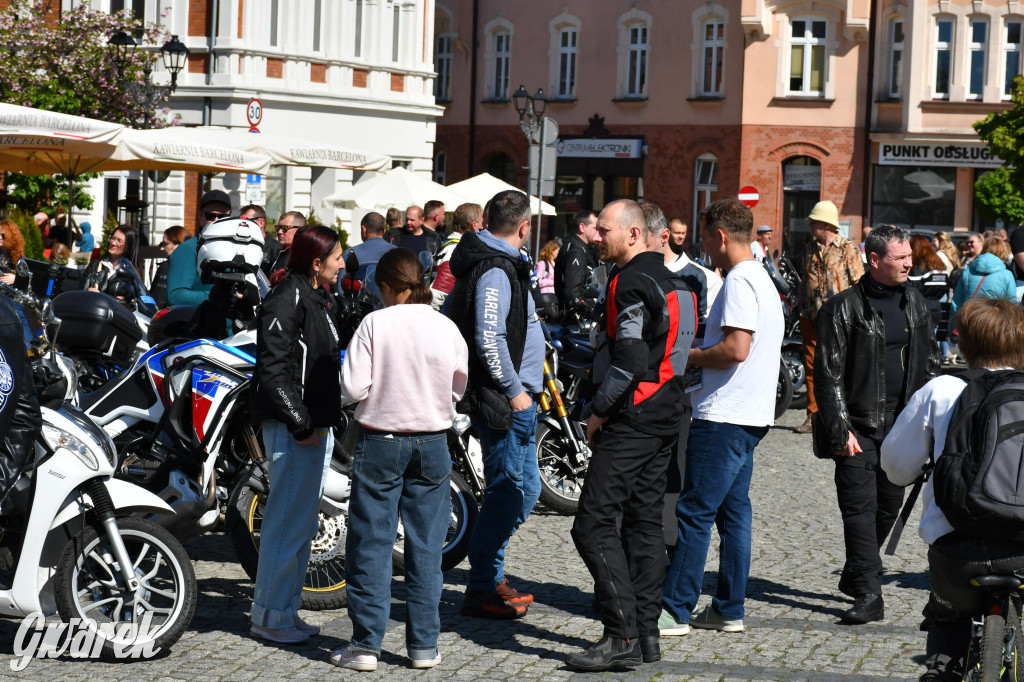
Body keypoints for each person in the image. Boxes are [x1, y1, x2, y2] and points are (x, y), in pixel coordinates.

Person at [567, 200, 697, 671]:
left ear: (635, 235)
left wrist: (598, 412)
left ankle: (620, 632)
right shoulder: (678, 282)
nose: (596, 236)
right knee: (643, 524)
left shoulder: (630, 283)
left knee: (593, 522)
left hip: (634, 416)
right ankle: (645, 635)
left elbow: (628, 360)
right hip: (667, 413)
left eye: (604, 230)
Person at [332, 248, 469, 672]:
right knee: (427, 546)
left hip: (381, 439)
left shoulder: (376, 322)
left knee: (371, 543)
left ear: (387, 286)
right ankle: (423, 646)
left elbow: (352, 387)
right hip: (432, 440)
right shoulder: (445, 326)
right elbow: (459, 387)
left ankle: (366, 645)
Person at [880, 297, 1024, 682]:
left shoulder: (941, 389)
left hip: (954, 543)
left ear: (964, 344)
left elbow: (895, 468)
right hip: (1022, 543)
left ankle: (943, 668)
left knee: (948, 617)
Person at [660, 198, 783, 639]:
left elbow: (735, 349)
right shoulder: (763, 279)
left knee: (695, 511)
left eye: (707, 237)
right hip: (748, 413)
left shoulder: (739, 280)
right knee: (734, 514)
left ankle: (674, 610)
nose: (704, 246)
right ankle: (728, 607)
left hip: (725, 413)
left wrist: (687, 355)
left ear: (721, 236)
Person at [815, 224, 938, 624]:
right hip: (858, 423)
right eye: (900, 258)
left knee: (888, 505)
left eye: (908, 257)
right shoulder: (842, 307)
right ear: (874, 260)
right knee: (859, 508)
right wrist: (840, 428)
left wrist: (932, 423)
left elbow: (931, 364)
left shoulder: (917, 303)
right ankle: (870, 593)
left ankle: (857, 572)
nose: (909, 263)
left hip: (904, 426)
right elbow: (828, 375)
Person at [445, 190, 544, 619]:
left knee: (525, 490)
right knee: (508, 495)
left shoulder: (503, 262)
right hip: (504, 400)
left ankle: (490, 576)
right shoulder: (497, 268)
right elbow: (489, 337)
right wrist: (514, 390)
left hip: (513, 396)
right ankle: (482, 584)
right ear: (524, 227)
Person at [248, 225, 345, 644]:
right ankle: (268, 616)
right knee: (286, 525)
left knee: (300, 525)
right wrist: (301, 423)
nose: (343, 263)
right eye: (337, 257)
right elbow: (272, 372)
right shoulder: (286, 299)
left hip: (313, 428)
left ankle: (283, 610)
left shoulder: (317, 297)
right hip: (294, 430)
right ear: (316, 262)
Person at [793, 200, 863, 434]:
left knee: (842, 364)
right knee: (812, 367)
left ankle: (844, 415)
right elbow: (804, 279)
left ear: (825, 224)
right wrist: (799, 303)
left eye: (814, 222)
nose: (811, 225)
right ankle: (812, 417)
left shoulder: (847, 248)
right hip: (811, 315)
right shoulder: (809, 248)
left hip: (840, 318)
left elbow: (858, 283)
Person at [166, 189, 232, 306]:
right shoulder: (187, 250)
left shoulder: (235, 248)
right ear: (200, 216)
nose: (216, 221)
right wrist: (218, 296)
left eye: (222, 217)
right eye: (210, 216)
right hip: (198, 321)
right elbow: (175, 296)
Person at [81, 225, 150, 305]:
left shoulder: (132, 272)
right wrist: (116, 299)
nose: (113, 243)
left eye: (119, 240)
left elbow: (130, 303)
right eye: (112, 238)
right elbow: (82, 294)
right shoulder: (95, 265)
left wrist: (100, 295)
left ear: (129, 246)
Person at [431, 203, 482, 310]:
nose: (483, 226)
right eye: (481, 221)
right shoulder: (456, 249)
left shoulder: (452, 244)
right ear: (474, 225)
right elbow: (438, 293)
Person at [951, 236, 1018, 315]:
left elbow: (956, 303)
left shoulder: (968, 271)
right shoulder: (1007, 274)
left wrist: (952, 325)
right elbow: (1011, 304)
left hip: (970, 319)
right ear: (1003, 251)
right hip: (994, 320)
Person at [554, 209, 599, 314]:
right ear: (582, 227)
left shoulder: (581, 247)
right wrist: (580, 307)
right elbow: (573, 288)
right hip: (575, 318)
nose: (598, 232)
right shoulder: (576, 249)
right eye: (595, 228)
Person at [907, 234, 949, 332]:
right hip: (935, 311)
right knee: (933, 344)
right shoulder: (940, 266)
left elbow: (912, 289)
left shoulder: (918, 266)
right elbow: (944, 290)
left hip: (917, 312)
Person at [340, 211, 395, 282]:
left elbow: (340, 287)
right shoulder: (397, 253)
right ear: (384, 231)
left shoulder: (350, 253)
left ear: (364, 229)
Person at [150, 226, 188, 309]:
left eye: (165, 244)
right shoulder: (163, 267)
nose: (162, 248)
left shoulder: (192, 270)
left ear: (179, 245)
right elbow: (153, 296)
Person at [239, 204, 281, 278]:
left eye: (246, 221)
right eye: (241, 221)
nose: (242, 225)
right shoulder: (241, 245)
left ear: (261, 223)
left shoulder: (276, 248)